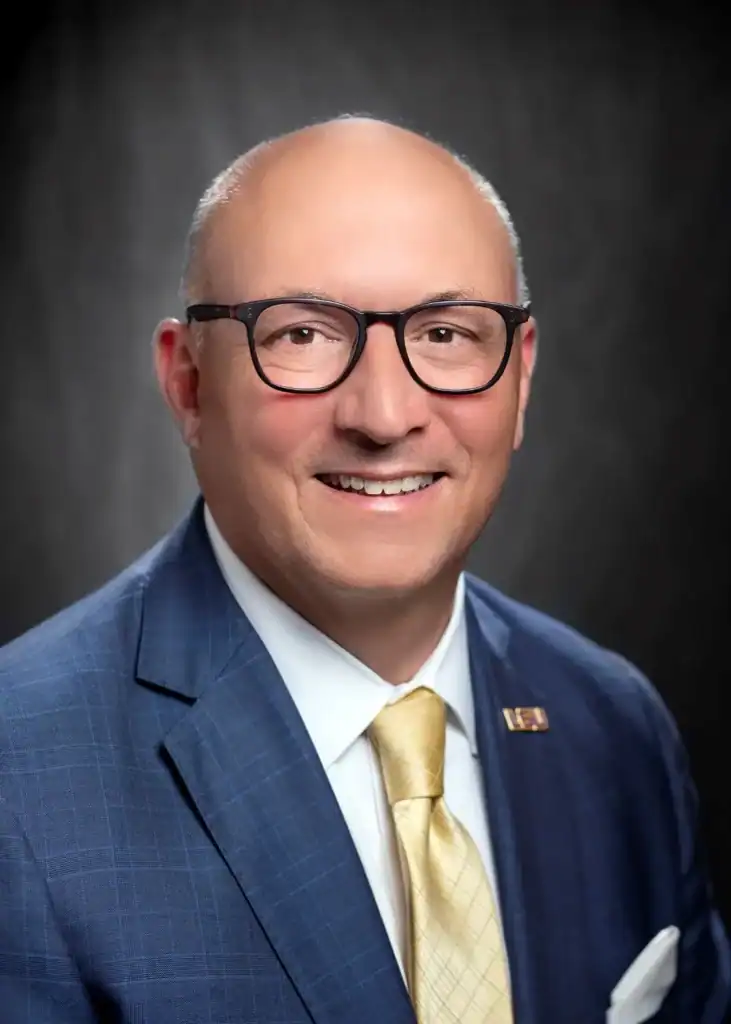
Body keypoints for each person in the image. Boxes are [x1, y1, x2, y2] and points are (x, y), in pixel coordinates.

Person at [0, 115, 728, 1024]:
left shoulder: (615, 727)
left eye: (446, 335)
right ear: (188, 384)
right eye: (301, 335)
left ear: (520, 381)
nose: (384, 415)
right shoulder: (18, 778)